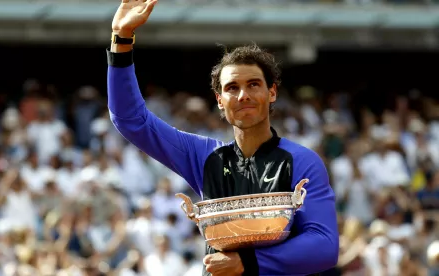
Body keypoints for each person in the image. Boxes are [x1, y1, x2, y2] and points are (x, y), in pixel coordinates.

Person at [106, 0, 339, 275]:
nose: (243, 95)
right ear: (219, 100)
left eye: (253, 84)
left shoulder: (302, 161)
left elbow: (324, 246)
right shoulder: (204, 156)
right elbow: (131, 119)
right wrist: (121, 40)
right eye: (232, 87)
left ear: (272, 93)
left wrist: (246, 264)